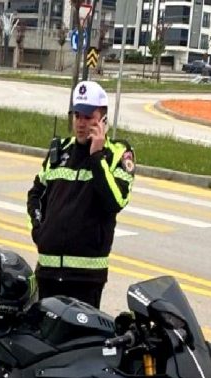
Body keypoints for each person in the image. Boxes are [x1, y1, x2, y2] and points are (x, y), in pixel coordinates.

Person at [26, 81, 134, 309]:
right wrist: (40, 230)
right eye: (77, 115)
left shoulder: (118, 155)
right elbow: (36, 194)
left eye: (88, 116)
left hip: (86, 278)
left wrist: (96, 157)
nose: (81, 123)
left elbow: (115, 201)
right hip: (48, 271)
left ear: (103, 119)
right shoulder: (60, 151)